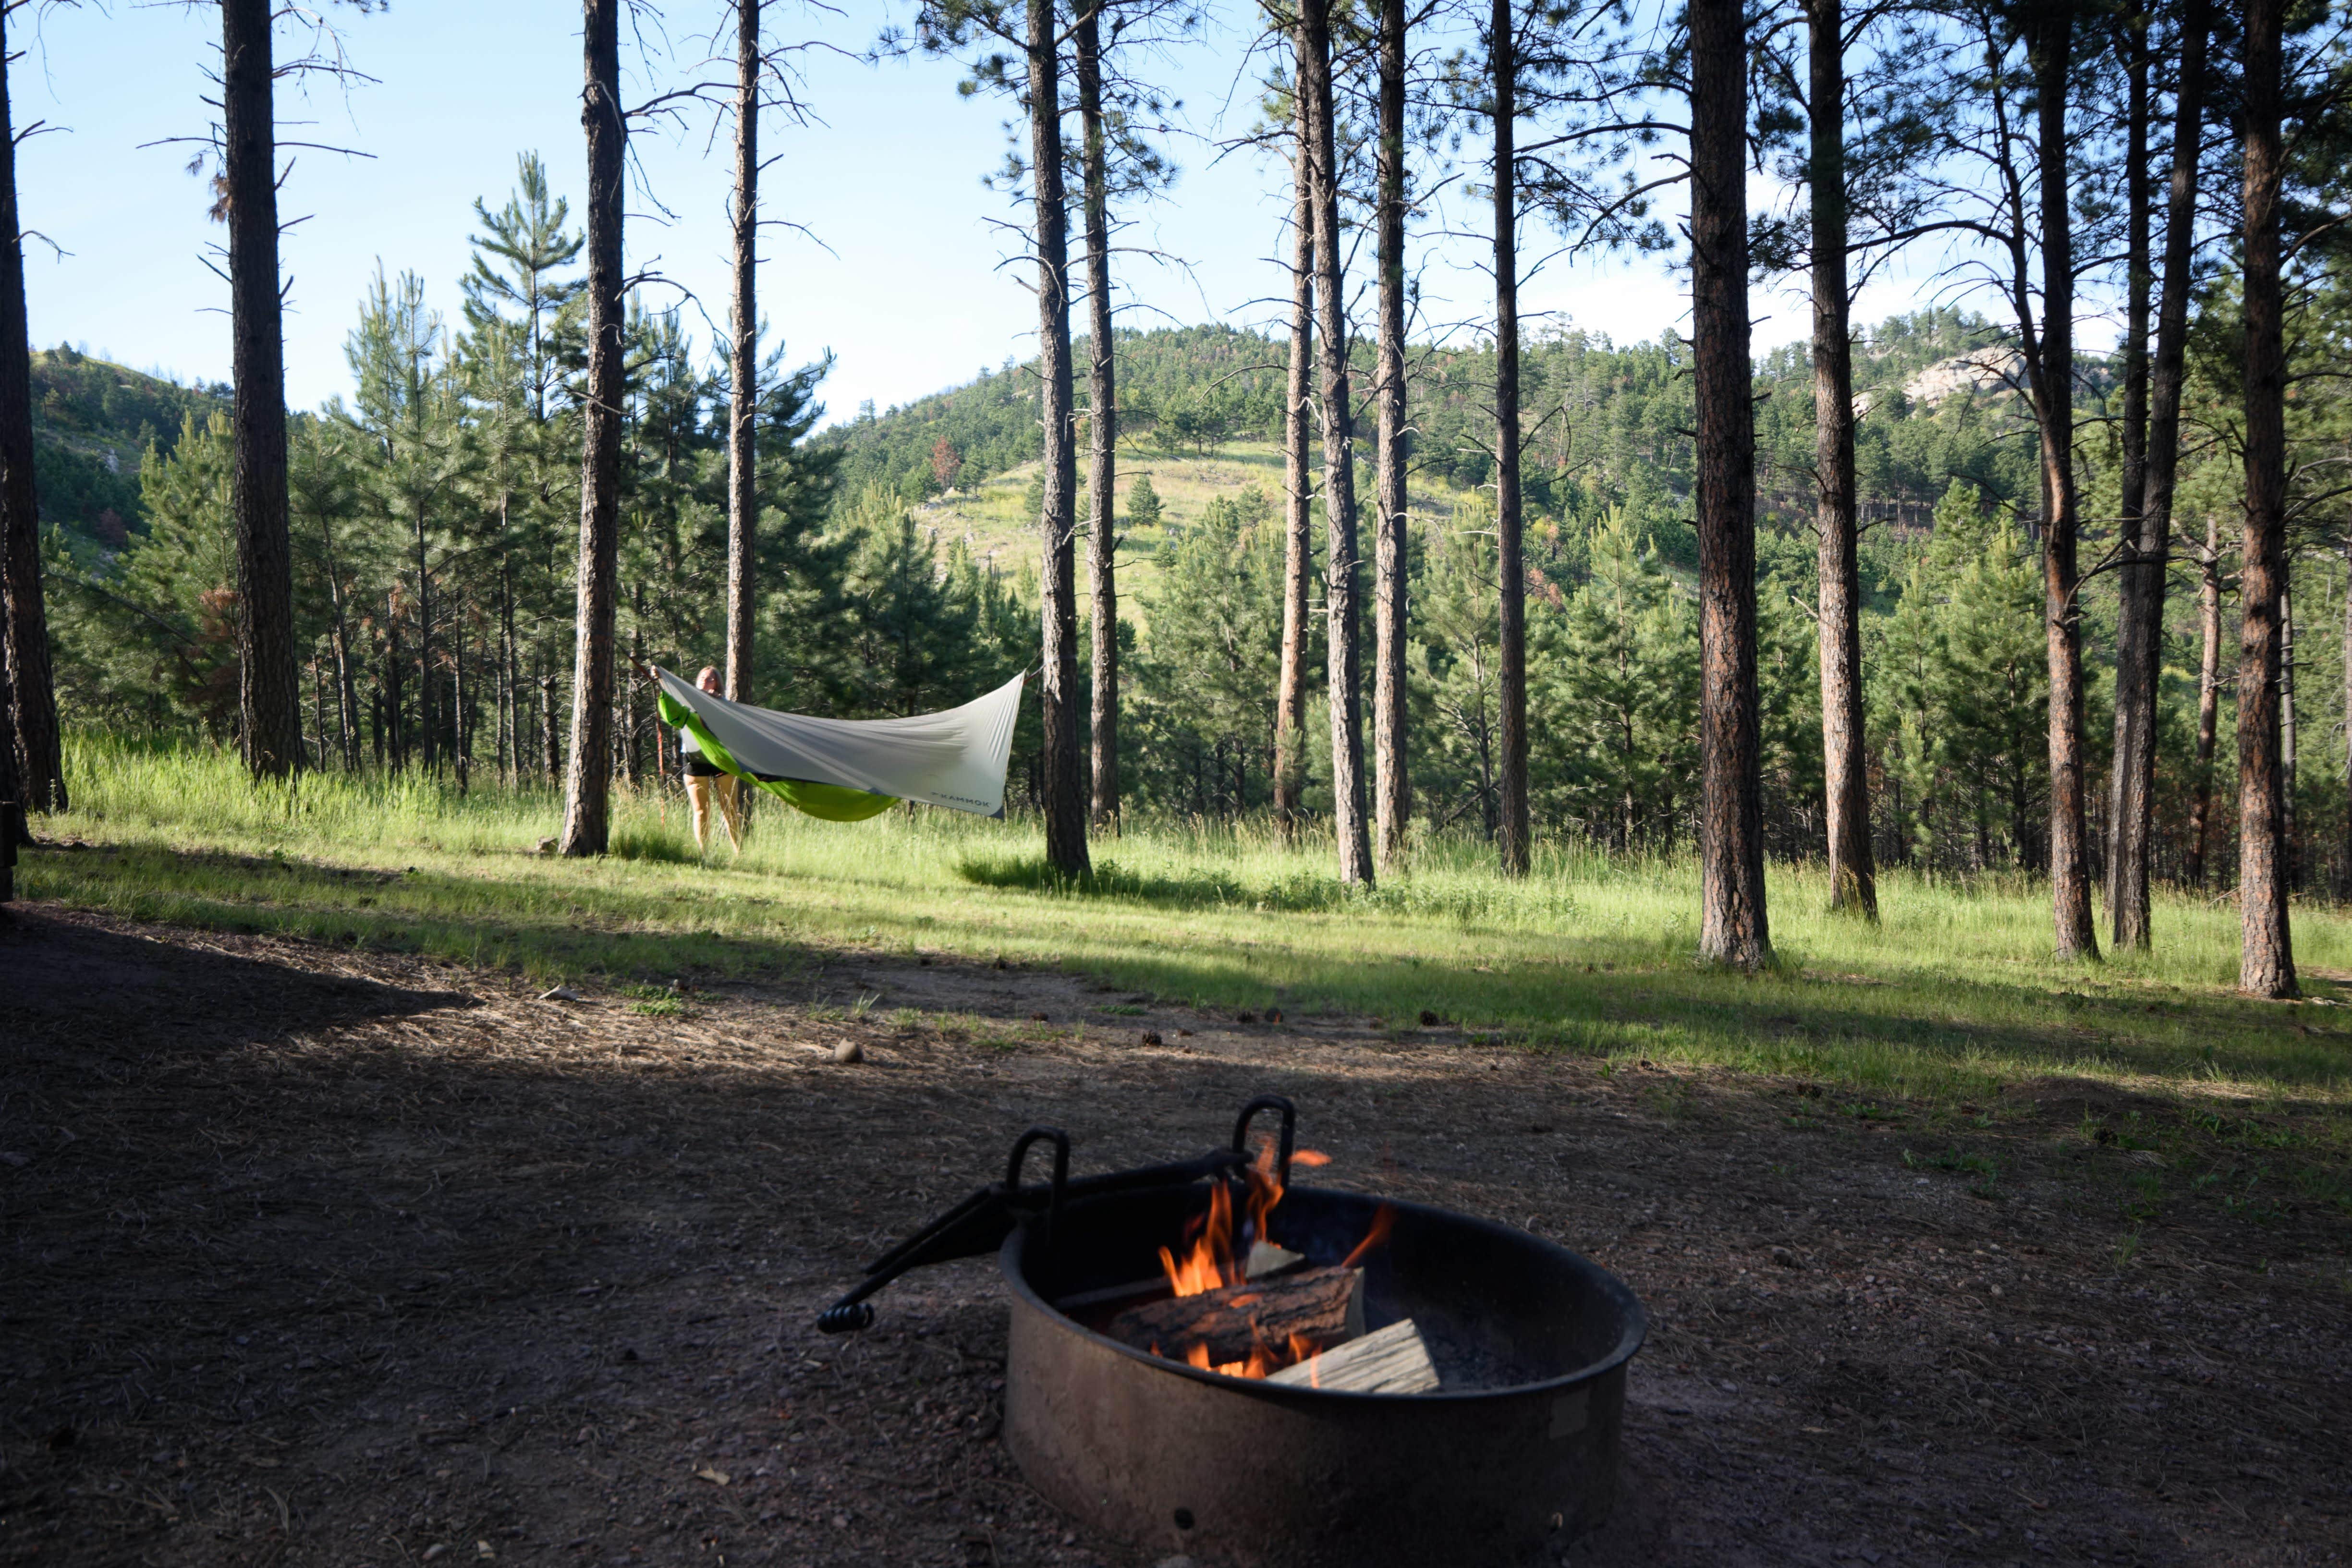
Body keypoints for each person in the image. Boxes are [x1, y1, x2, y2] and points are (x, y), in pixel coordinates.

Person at [679, 666, 744, 854]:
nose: (704, 682)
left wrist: (717, 702)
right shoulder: (686, 703)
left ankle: (739, 853)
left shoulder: (723, 705)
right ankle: (704, 854)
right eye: (702, 678)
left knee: (730, 810)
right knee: (701, 811)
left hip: (720, 759)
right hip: (695, 759)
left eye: (710, 679)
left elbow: (731, 728)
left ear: (717, 684)